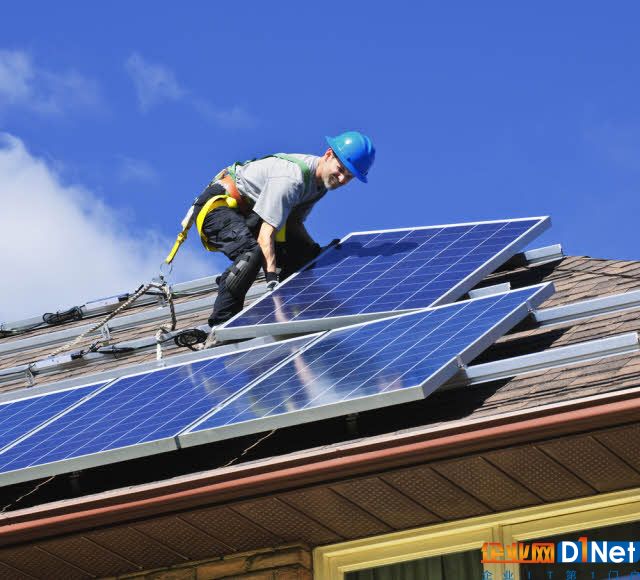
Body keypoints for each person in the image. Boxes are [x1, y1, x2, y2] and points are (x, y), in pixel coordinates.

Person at [180, 131, 375, 333]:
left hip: (251, 214)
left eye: (349, 177)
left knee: (304, 257)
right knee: (252, 255)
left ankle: (301, 313)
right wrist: (272, 279)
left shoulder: (319, 186)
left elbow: (293, 224)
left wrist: (315, 252)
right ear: (328, 154)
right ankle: (222, 325)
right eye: (340, 169)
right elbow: (266, 236)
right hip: (219, 206)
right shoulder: (293, 179)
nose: (342, 178)